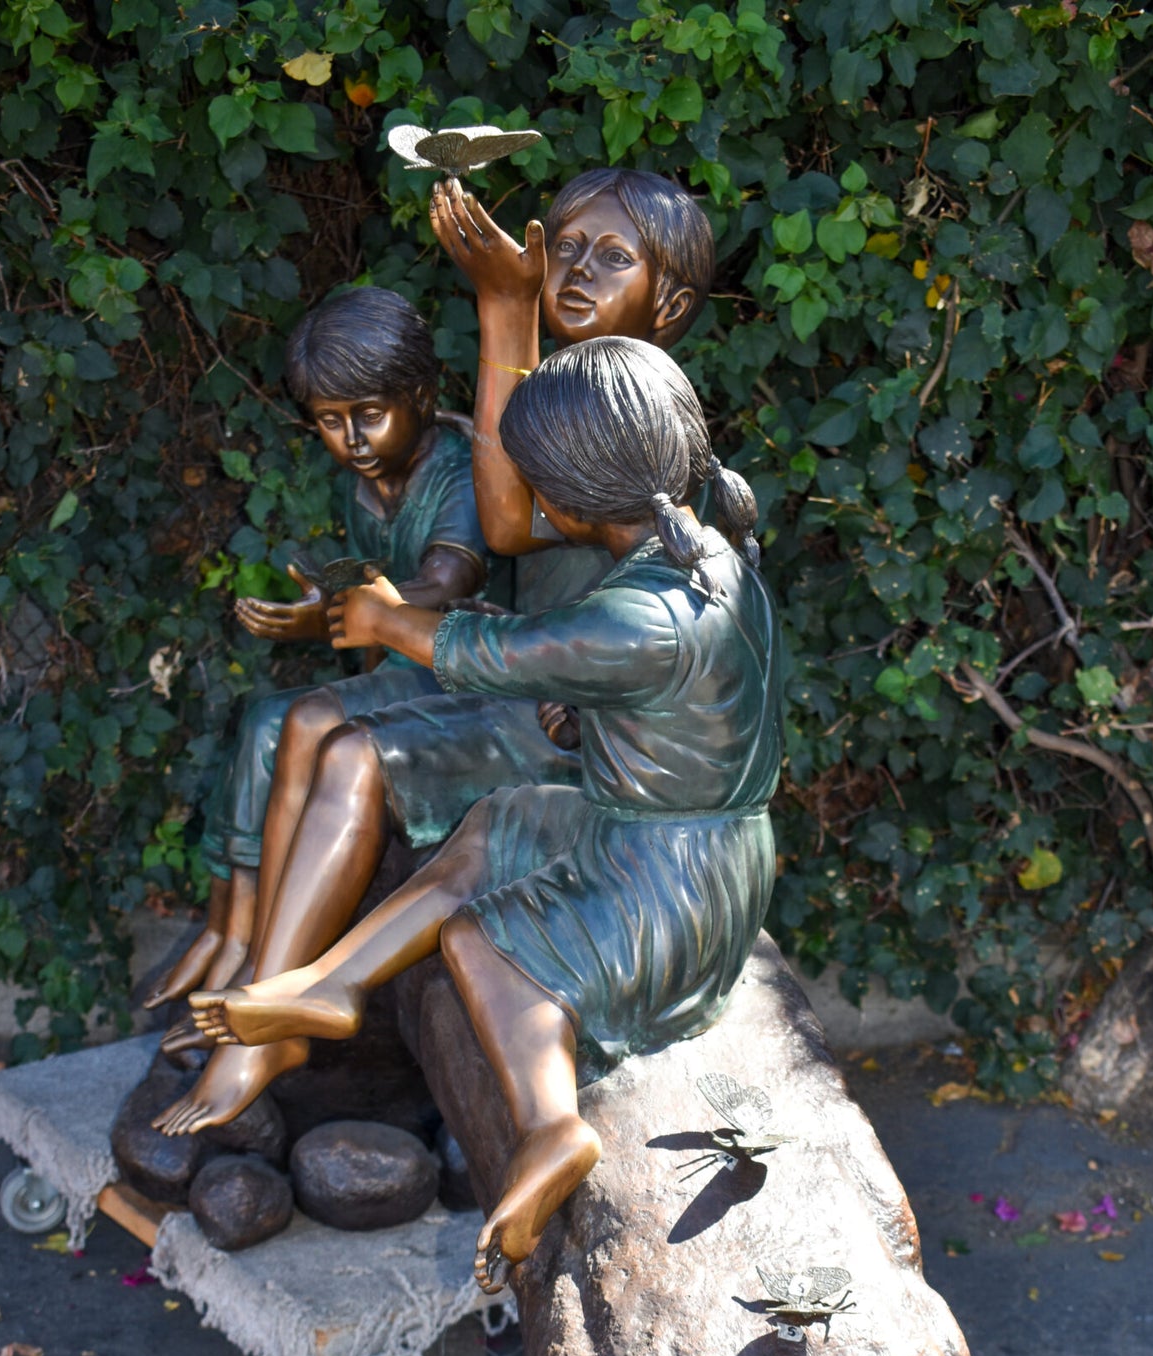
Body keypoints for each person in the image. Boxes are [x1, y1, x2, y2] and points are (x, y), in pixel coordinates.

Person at [177, 339, 783, 1295]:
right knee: (493, 825)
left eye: (536, 485)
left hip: (672, 879)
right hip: (661, 825)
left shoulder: (641, 617)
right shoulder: (707, 555)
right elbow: (700, 695)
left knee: (481, 940)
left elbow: (497, 653)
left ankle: (550, 1127)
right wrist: (585, 710)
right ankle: (330, 984)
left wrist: (385, 622)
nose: (527, 505)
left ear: (577, 500)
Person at [153, 170, 717, 1119]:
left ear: (669, 299)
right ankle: (271, 990)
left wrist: (504, 307)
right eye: (565, 249)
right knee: (319, 727)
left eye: (610, 258)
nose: (574, 272)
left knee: (356, 752)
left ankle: (277, 1015)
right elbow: (509, 521)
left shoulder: (642, 411)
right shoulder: (572, 390)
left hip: (574, 718)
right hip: (517, 669)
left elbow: (513, 527)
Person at [143, 287, 489, 1009]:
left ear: (421, 395)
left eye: (369, 415)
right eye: (330, 422)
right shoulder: (363, 487)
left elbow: (444, 582)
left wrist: (341, 612)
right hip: (402, 666)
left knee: (298, 723)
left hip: (461, 673)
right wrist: (333, 614)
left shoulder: (456, 470)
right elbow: (369, 607)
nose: (352, 441)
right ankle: (232, 929)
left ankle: (267, 961)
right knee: (266, 720)